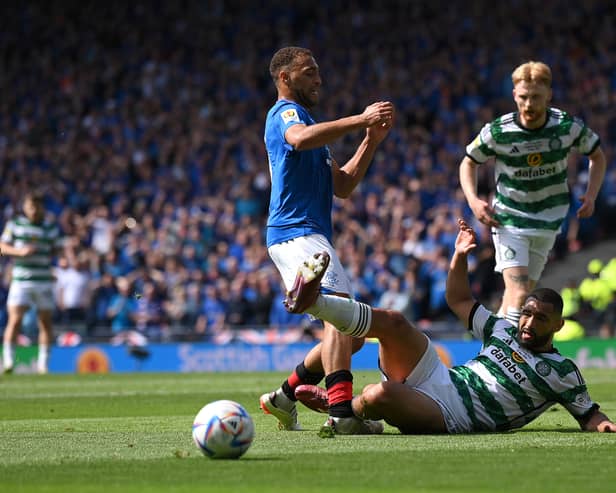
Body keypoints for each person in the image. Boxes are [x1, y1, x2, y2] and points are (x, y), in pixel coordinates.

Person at [292, 219, 616, 434]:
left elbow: (589, 415)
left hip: (456, 415)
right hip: (442, 376)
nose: (528, 322)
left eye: (540, 319)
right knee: (394, 321)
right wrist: (459, 256)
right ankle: (314, 302)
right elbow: (459, 299)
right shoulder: (502, 329)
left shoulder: (561, 372)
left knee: (381, 393)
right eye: (527, 313)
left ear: (558, 325)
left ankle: (346, 409)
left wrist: (604, 426)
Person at [259, 46, 394, 434]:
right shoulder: (286, 114)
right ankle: (342, 414)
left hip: (305, 233)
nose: (319, 79)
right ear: (285, 78)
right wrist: (360, 118)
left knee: (350, 339)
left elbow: (344, 185)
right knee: (340, 313)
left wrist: (371, 139)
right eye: (309, 72)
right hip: (296, 231)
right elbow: (299, 139)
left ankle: (284, 397)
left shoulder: (314, 127)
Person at [459, 61, 606, 328]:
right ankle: (509, 361)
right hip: (510, 219)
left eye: (536, 97)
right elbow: (468, 162)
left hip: (549, 222)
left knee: (514, 296)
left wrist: (592, 194)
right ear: (514, 94)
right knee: (520, 295)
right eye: (523, 97)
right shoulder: (499, 131)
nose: (528, 104)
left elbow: (597, 155)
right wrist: (473, 201)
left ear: (548, 94)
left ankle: (490, 353)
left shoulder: (566, 127)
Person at [1, 192, 63, 374]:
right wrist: (19, 252)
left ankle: (43, 365)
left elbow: (56, 251)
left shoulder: (50, 227)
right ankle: (8, 362)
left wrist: (61, 261)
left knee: (45, 322)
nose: (34, 211)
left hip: (43, 280)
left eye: (37, 207)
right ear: (25, 208)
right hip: (22, 280)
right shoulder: (15, 225)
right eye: (31, 207)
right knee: (15, 320)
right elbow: (1, 246)